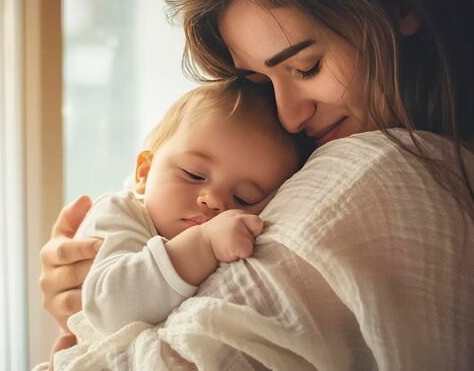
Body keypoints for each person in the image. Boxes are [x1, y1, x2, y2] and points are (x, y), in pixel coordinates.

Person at [38, 0, 474, 369]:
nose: (287, 115)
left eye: (307, 67)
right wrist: (90, 278)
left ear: (400, 4)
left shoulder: (379, 172)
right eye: (260, 81)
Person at [61, 80, 302, 350]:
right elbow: (111, 307)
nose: (213, 200)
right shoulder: (119, 214)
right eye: (194, 174)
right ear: (144, 173)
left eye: (243, 198)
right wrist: (203, 243)